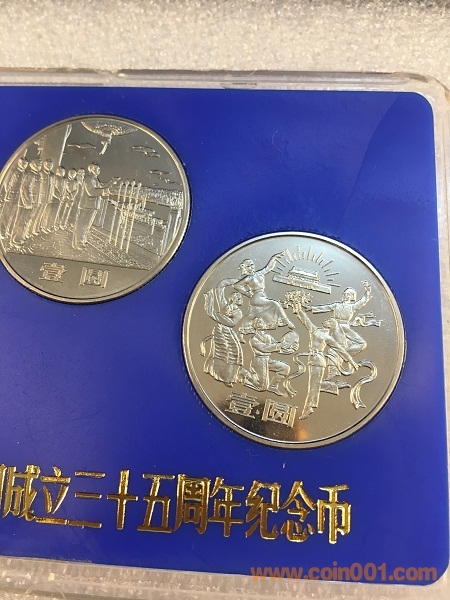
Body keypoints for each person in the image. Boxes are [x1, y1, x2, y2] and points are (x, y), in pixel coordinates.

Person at [293, 303, 358, 419]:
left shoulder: (327, 337)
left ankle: (308, 408)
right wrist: (299, 311)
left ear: (330, 326)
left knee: (313, 385)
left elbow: (340, 349)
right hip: (312, 359)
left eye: (328, 321)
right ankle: (332, 387)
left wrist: (351, 361)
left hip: (318, 361)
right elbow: (306, 321)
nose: (325, 320)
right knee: (314, 384)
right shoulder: (315, 330)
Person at [234, 253, 294, 335]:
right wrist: (246, 293)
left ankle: (276, 322)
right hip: (256, 297)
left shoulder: (260, 273)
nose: (251, 267)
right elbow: (236, 285)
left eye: (252, 265)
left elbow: (268, 268)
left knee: (269, 307)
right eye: (248, 266)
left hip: (262, 295)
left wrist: (273, 258)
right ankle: (286, 321)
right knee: (275, 304)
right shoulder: (248, 278)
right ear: (245, 268)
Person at [310, 283, 372, 356]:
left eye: (348, 294)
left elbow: (362, 301)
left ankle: (343, 352)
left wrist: (368, 291)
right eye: (345, 294)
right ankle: (341, 353)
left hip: (345, 327)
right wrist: (312, 308)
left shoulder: (352, 306)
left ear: (352, 297)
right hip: (335, 327)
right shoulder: (337, 305)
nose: (345, 296)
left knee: (362, 343)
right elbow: (325, 307)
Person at [203, 282, 244, 387]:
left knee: (235, 353)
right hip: (220, 331)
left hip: (228, 331)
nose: (241, 299)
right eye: (238, 298)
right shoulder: (225, 306)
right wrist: (234, 281)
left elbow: (232, 323)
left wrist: (217, 315)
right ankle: (221, 376)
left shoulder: (239, 312)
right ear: (233, 299)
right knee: (222, 352)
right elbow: (220, 289)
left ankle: (229, 377)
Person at [243, 317, 292, 396]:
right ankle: (245, 375)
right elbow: (264, 348)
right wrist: (279, 345)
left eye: (263, 322)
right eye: (260, 322)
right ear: (255, 325)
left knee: (285, 368)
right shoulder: (254, 339)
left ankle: (273, 386)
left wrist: (286, 347)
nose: (263, 323)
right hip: (259, 361)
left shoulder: (267, 336)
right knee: (262, 387)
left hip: (267, 360)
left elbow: (275, 345)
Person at [72, 163, 116, 249]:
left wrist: (111, 182)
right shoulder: (88, 180)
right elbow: (91, 192)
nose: (99, 170)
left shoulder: (95, 179)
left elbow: (101, 187)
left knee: (87, 224)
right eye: (97, 169)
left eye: (99, 169)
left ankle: (82, 240)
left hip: (92, 205)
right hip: (86, 205)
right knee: (82, 224)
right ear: (91, 169)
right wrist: (103, 191)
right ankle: (78, 242)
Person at [11, 159, 41, 246]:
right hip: (26, 204)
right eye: (37, 165)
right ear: (32, 165)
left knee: (26, 220)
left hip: (32, 203)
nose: (39, 166)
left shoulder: (36, 175)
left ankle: (21, 236)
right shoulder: (30, 175)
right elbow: (24, 189)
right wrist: (28, 202)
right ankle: (15, 239)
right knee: (21, 221)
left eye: (39, 165)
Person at [0, 157, 28, 240]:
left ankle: (8, 231)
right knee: (6, 214)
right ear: (19, 163)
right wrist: (7, 192)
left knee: (13, 214)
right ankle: (1, 231)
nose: (23, 165)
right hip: (11, 195)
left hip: (18, 196)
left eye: (25, 164)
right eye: (22, 163)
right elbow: (6, 182)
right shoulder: (13, 171)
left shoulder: (25, 173)